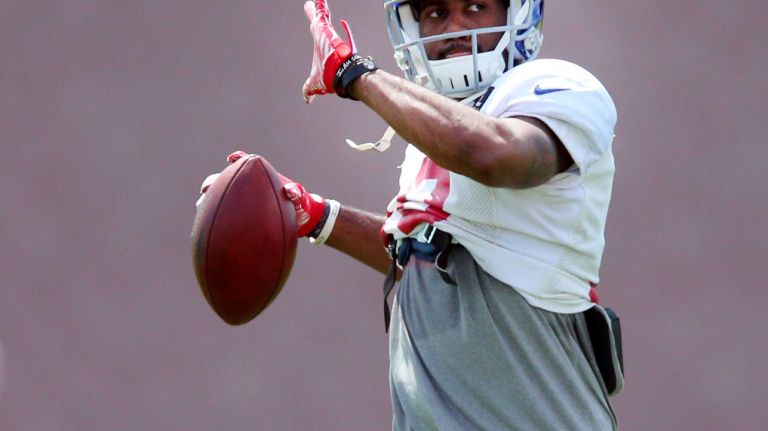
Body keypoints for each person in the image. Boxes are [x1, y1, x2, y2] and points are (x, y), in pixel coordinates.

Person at [201, 0, 624, 429]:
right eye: (436, 12)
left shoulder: (559, 87)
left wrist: (356, 74)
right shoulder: (431, 137)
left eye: (476, 6)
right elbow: (424, 261)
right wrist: (316, 215)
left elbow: (493, 156)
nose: (455, 26)